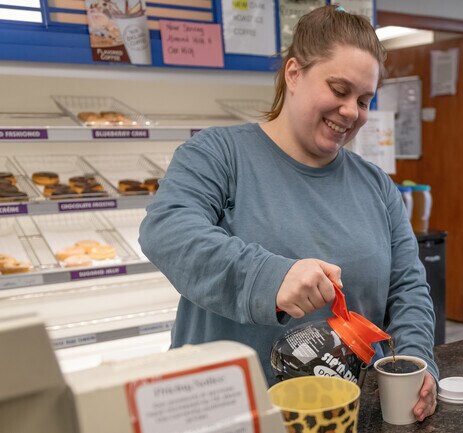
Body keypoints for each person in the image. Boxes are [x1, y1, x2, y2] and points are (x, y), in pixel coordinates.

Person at [139, 5, 438, 421]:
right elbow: (167, 230)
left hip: (339, 417)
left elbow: (408, 289)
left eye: (364, 100)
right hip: (226, 415)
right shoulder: (218, 154)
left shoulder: (377, 186)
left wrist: (416, 361)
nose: (352, 111)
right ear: (294, 74)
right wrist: (272, 277)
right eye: (339, 89)